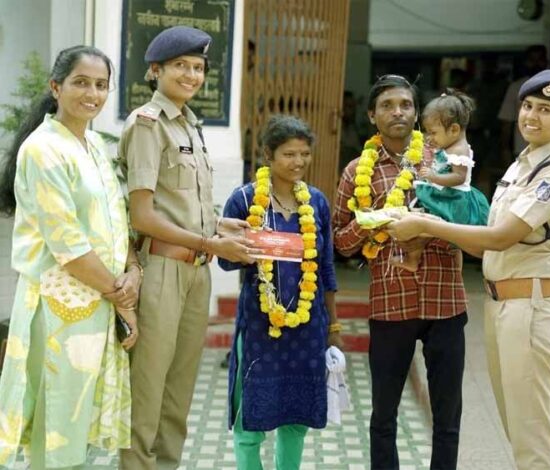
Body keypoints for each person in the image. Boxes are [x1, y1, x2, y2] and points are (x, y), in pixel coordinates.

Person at [387, 69, 550, 470]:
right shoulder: (522, 165)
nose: (531, 116)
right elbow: (483, 239)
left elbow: (501, 236)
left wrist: (427, 225)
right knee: (515, 422)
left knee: (530, 429)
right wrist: (430, 223)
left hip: (530, 306)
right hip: (505, 303)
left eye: (546, 110)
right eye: (528, 106)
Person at [118, 26, 256, 470]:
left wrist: (219, 224)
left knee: (179, 391)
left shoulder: (191, 125)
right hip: (161, 270)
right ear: (155, 70)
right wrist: (209, 241)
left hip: (196, 272)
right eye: (181, 66)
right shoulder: (147, 125)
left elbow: (178, 203)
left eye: (198, 68)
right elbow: (143, 216)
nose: (192, 75)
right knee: (148, 388)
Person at [0, 45, 138, 469]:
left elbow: (115, 219)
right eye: (81, 82)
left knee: (80, 431)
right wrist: (122, 298)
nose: (92, 94)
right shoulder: (43, 150)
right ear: (55, 87)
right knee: (57, 428)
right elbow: (69, 246)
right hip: (59, 309)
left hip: (98, 302)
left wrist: (132, 270)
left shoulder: (93, 144)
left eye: (100, 85)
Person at [333, 74, 468, 470]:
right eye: (387, 106)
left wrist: (434, 225)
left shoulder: (443, 159)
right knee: (383, 416)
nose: (398, 112)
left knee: (447, 416)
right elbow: (340, 242)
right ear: (372, 115)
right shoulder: (357, 171)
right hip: (391, 304)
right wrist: (373, 220)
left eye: (406, 105)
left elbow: (472, 221)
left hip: (445, 301)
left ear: (417, 112)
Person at [218, 115, 342, 469]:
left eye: (304, 154)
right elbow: (225, 263)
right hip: (260, 328)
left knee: (296, 419)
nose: (298, 162)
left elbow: (326, 268)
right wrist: (247, 248)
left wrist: (332, 326)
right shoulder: (245, 200)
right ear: (268, 156)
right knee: (250, 421)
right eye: (289, 154)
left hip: (307, 328)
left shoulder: (316, 202)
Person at [394, 89, 489, 272]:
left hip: (453, 200)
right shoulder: (448, 145)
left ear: (454, 129)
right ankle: (413, 259)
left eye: (433, 133)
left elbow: (459, 177)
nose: (430, 138)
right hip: (442, 195)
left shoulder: (459, 150)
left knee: (424, 228)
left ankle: (419, 261)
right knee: (419, 226)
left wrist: (433, 177)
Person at [497, 45, 548, 165]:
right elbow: (507, 121)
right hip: (522, 149)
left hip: (549, 150)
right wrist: (505, 150)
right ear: (525, 63)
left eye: (539, 59)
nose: (536, 64)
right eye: (532, 60)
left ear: (546, 62)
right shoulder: (516, 87)